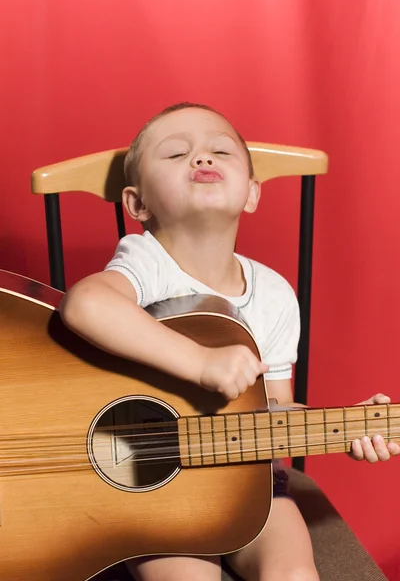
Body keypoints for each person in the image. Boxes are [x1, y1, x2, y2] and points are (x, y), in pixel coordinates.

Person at [60, 102, 399, 581]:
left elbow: (274, 416)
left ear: (253, 193)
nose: (202, 158)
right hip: (154, 487)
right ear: (138, 205)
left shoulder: (277, 295)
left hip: (249, 483)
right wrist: (200, 362)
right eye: (177, 154)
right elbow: (87, 305)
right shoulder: (147, 261)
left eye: (220, 150)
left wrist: (348, 428)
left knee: (296, 574)